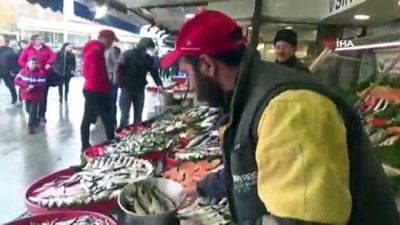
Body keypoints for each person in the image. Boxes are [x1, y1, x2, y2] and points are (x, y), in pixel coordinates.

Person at [161, 10, 399, 225]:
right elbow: (247, 167)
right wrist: (201, 188)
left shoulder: (288, 108)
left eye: (186, 73)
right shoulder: (248, 95)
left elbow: (303, 220)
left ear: (207, 65)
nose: (189, 84)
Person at [80, 29, 117, 151]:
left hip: (93, 88)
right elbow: (93, 72)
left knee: (95, 116)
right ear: (104, 39)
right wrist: (103, 85)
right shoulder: (96, 51)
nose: (111, 44)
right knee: (106, 116)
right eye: (111, 41)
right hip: (95, 89)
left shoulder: (96, 50)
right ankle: (110, 140)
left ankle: (86, 144)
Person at [117, 38, 163, 126]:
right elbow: (119, 70)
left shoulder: (144, 57)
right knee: (130, 115)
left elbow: (154, 72)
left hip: (134, 88)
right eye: (148, 48)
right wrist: (121, 83)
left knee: (129, 115)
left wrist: (159, 84)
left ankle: (131, 135)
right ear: (144, 47)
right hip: (130, 88)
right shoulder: (129, 55)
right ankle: (125, 135)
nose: (149, 51)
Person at [18, 34, 56, 123]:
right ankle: (32, 115)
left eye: (41, 39)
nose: (41, 41)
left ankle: (42, 115)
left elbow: (53, 56)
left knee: (43, 97)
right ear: (33, 40)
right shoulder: (28, 50)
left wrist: (49, 63)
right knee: (30, 97)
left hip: (43, 76)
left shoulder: (47, 49)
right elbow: (21, 61)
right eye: (39, 39)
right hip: (30, 77)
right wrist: (28, 67)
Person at [14, 57, 46, 134]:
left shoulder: (41, 73)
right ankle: (36, 119)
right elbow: (17, 80)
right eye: (32, 63)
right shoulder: (22, 71)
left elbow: (42, 83)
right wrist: (26, 85)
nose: (33, 65)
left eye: (35, 64)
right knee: (28, 110)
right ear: (28, 63)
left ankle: (30, 127)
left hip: (35, 95)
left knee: (32, 110)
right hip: (25, 94)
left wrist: (34, 86)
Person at [105, 46, 121, 128]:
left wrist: (115, 79)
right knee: (109, 101)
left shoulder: (110, 51)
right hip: (106, 80)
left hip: (111, 80)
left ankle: (112, 121)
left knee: (111, 101)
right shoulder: (105, 51)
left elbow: (116, 66)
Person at [0, 35, 18, 104]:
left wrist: (14, 70)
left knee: (10, 85)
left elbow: (14, 60)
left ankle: (14, 97)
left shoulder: (9, 50)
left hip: (6, 70)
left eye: (1, 41)